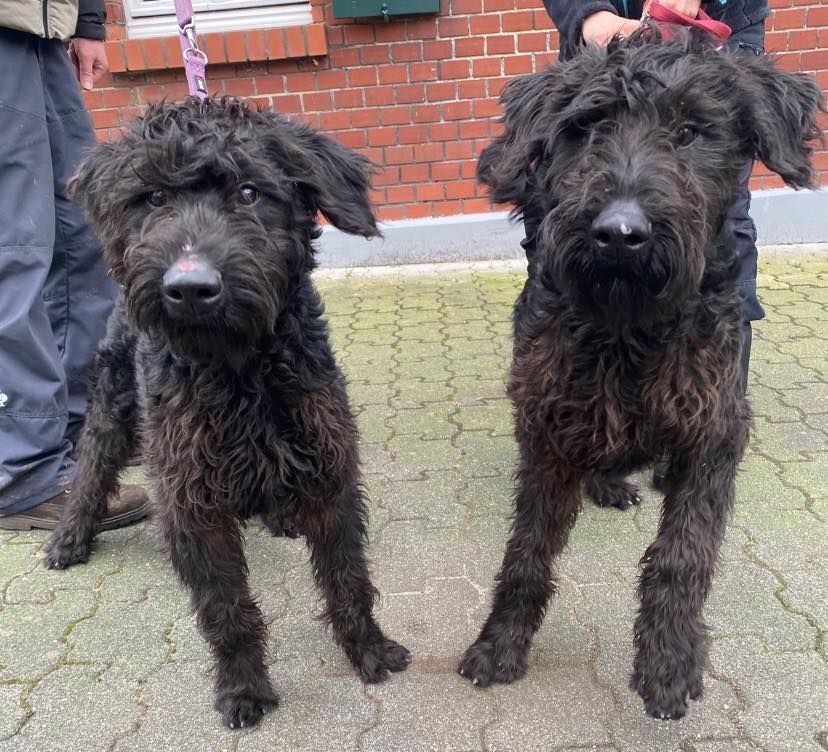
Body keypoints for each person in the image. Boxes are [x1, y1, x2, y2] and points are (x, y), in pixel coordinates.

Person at [534, 0, 769, 393]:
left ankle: (711, 402)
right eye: (594, 130)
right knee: (554, 235)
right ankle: (573, 404)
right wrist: (589, 14)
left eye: (684, 136)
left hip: (717, 30)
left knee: (723, 236)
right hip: (598, 45)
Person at [0, 0, 149, 530]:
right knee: (14, 248)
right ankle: (23, 470)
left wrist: (86, 22)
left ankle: (90, 431)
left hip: (41, 32)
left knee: (83, 234)